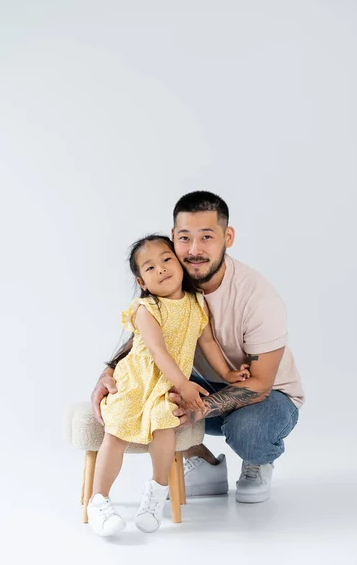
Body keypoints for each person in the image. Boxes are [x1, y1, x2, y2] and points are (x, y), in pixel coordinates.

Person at [92, 191, 304, 508]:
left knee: (250, 429)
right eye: (184, 238)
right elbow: (150, 342)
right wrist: (108, 373)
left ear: (227, 237)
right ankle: (203, 463)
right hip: (198, 385)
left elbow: (259, 384)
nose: (194, 250)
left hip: (267, 394)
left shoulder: (258, 298)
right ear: (173, 239)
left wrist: (198, 408)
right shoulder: (172, 283)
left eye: (206, 237)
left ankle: (257, 460)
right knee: (154, 389)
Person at [88, 234, 250, 537]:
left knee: (165, 425)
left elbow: (208, 342)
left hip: (166, 387)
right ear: (142, 281)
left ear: (179, 262)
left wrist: (228, 375)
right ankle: (99, 501)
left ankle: (156, 493)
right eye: (150, 268)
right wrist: (185, 384)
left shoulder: (196, 303)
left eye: (166, 259)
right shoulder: (145, 308)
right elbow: (158, 351)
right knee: (117, 430)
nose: (161, 268)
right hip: (136, 380)